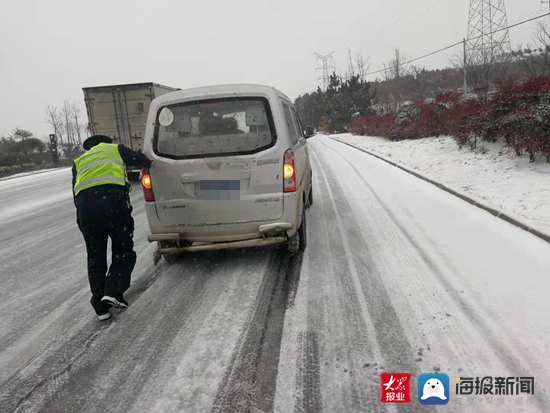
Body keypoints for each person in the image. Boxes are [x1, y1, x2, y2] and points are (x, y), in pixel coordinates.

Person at [72, 135, 152, 320]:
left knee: (95, 256)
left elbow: (76, 193)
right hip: (113, 204)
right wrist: (149, 161)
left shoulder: (79, 162)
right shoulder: (115, 149)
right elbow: (142, 160)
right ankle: (113, 291)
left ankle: (100, 307)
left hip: (86, 211)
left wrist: (82, 222)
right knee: (123, 250)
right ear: (105, 143)